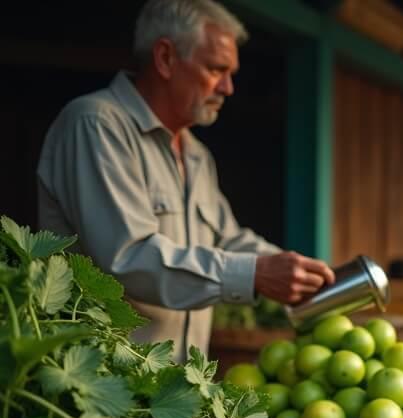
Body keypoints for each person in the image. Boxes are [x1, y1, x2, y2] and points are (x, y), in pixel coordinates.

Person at [36, 0, 334, 362]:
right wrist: (254, 273)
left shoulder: (196, 155)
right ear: (165, 58)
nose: (228, 87)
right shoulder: (96, 125)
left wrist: (293, 270)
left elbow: (228, 239)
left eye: (231, 73)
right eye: (216, 69)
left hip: (175, 392)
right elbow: (128, 258)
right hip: (103, 385)